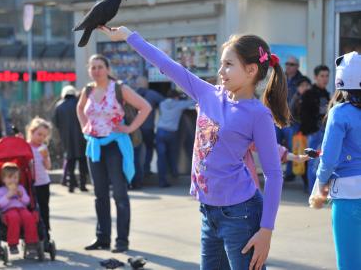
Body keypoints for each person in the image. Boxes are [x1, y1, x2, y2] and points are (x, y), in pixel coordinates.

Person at [99, 26, 288, 269]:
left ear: (251, 70)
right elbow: (166, 64)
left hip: (242, 215)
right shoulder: (207, 94)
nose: (221, 71)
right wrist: (128, 36)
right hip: (209, 212)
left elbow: (273, 174)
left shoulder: (258, 114)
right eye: (221, 64)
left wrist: (266, 231)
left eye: (229, 64)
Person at [77, 54, 151, 253]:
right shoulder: (88, 90)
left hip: (115, 145)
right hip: (94, 146)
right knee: (99, 195)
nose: (96, 70)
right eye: (93, 67)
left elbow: (145, 107)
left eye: (100, 66)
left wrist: (129, 128)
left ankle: (122, 241)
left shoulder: (119, 88)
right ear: (89, 70)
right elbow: (80, 109)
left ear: (107, 69)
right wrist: (85, 128)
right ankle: (102, 238)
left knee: (119, 194)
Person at [314, 51, 361, 270]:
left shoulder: (339, 113)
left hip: (347, 196)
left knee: (350, 264)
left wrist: (319, 185)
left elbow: (329, 159)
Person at [0, 162, 38, 254]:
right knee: (14, 217)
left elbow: (27, 202)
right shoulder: (0, 191)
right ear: (3, 179)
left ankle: (31, 243)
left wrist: (21, 196)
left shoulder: (21, 188)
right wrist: (8, 196)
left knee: (29, 217)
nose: (13, 180)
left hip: (22, 209)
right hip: (8, 211)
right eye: (10, 177)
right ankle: (13, 244)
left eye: (15, 177)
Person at [155, 89, 195, 187]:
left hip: (160, 132)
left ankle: (162, 180)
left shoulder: (162, 104)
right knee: (173, 154)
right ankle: (174, 174)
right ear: (176, 97)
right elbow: (193, 102)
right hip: (171, 133)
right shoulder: (179, 104)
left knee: (161, 157)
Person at [53, 85, 88, 193]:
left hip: (66, 138)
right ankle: (83, 185)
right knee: (83, 162)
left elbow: (56, 123)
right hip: (82, 137)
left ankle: (71, 185)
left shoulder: (59, 106)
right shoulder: (80, 104)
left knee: (70, 162)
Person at [300, 65, 330, 192]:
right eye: (322, 76)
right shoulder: (309, 93)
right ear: (316, 77)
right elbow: (304, 114)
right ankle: (313, 191)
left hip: (325, 133)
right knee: (313, 164)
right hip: (314, 133)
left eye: (327, 76)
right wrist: (312, 131)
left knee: (321, 163)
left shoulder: (327, 94)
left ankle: (318, 190)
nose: (325, 79)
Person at [276, 56, 306, 181]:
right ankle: (275, 172)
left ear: (297, 66)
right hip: (278, 120)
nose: (288, 66)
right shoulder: (280, 79)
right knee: (273, 145)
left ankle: (290, 173)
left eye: (292, 64)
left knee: (292, 146)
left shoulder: (303, 81)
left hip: (293, 122)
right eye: (287, 63)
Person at [26, 117, 53, 247]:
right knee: (31, 210)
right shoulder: (25, 147)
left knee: (44, 209)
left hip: (43, 183)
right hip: (30, 185)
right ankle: (31, 236)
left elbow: (48, 167)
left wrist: (45, 158)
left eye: (44, 136)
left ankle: (46, 235)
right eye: (39, 134)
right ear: (31, 132)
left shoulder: (43, 148)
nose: (41, 138)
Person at [135, 76, 165, 179]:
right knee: (149, 148)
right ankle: (146, 170)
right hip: (148, 128)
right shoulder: (152, 94)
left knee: (136, 151)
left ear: (136, 84)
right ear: (147, 84)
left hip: (134, 128)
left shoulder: (132, 94)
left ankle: (137, 174)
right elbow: (164, 102)